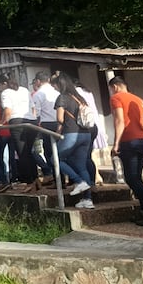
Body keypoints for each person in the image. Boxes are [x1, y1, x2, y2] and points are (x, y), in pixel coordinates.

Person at [109, 76, 143, 226]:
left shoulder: (116, 98)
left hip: (128, 141)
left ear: (116, 86)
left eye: (111, 89)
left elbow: (119, 121)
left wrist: (116, 143)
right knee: (137, 177)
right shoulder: (138, 99)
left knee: (131, 178)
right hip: (141, 140)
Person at [52, 72, 95, 208]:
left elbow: (60, 119)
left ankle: (78, 181)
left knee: (55, 159)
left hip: (71, 134)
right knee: (81, 166)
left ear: (60, 84)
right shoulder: (79, 97)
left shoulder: (62, 97)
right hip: (85, 134)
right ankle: (87, 200)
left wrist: (57, 132)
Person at [0, 73, 38, 191]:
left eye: (0, 84)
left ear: (4, 83)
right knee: (28, 151)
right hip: (31, 121)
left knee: (22, 153)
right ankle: (35, 179)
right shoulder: (24, 90)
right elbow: (33, 108)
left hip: (17, 122)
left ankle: (28, 182)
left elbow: (8, 110)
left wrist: (2, 122)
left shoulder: (5, 93)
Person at [32, 71, 58, 182]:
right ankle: (62, 177)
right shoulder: (57, 92)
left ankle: (54, 177)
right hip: (59, 122)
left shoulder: (38, 94)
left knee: (49, 152)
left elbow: (36, 113)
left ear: (38, 81)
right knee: (59, 150)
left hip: (47, 124)